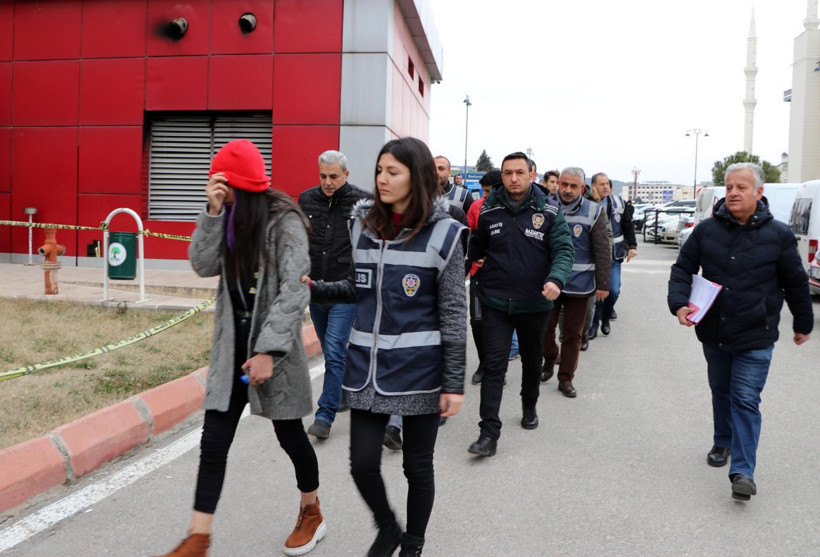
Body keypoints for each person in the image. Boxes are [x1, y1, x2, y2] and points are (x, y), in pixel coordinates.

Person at [155, 140, 323, 557]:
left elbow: (293, 292)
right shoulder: (227, 218)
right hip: (232, 350)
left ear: (239, 185)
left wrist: (267, 350)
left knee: (290, 437)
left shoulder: (285, 222)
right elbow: (202, 264)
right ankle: (197, 540)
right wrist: (211, 214)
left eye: (221, 185)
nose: (217, 190)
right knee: (213, 443)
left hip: (273, 351)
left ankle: (311, 510)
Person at [306, 137, 468, 556]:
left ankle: (413, 543)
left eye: (392, 171)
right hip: (366, 369)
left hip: (421, 371)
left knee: (417, 467)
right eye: (379, 170)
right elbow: (359, 288)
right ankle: (389, 527)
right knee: (361, 463)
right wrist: (318, 288)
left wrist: (453, 382)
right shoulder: (361, 226)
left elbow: (453, 312)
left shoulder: (445, 234)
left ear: (416, 177)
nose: (382, 179)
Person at [667, 162, 813, 502]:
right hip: (713, 330)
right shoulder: (706, 231)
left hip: (756, 334)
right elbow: (682, 269)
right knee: (721, 390)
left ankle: (743, 471)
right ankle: (723, 441)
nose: (733, 192)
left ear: (758, 193)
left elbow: (795, 283)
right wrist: (679, 304)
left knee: (746, 399)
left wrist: (802, 323)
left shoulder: (779, 234)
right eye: (729, 187)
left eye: (741, 187)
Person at [467, 151, 574, 457]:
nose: (513, 178)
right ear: (501, 177)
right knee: (493, 366)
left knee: (531, 360)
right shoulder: (488, 211)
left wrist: (556, 279)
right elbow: (475, 247)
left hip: (534, 303)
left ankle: (529, 404)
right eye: (507, 173)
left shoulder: (550, 212)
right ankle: (488, 432)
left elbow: (564, 250)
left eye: (519, 172)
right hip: (495, 301)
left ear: (531, 175)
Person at [298, 150, 370, 440]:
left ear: (346, 175)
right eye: (323, 176)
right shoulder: (306, 199)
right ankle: (341, 391)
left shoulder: (363, 202)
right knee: (333, 350)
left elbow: (369, 245)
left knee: (335, 350)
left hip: (345, 288)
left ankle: (324, 415)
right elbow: (302, 240)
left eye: (334, 177)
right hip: (315, 288)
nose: (328, 182)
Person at [541, 167, 610, 397]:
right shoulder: (544, 206)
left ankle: (566, 378)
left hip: (580, 285)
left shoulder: (594, 211)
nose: (568, 190)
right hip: (549, 284)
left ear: (582, 188)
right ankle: (550, 360)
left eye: (573, 186)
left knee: (573, 334)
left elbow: (602, 249)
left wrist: (603, 284)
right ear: (558, 184)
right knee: (545, 329)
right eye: (564, 185)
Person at [588, 172, 637, 339]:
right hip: (593, 256)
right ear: (593, 185)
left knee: (613, 290)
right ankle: (593, 326)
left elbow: (627, 225)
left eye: (607, 184)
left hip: (614, 255)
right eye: (601, 184)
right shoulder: (588, 203)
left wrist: (632, 246)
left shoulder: (618, 203)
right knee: (595, 294)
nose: (605, 187)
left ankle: (606, 318)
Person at [466, 170, 502, 385]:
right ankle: (483, 364)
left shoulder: (510, 210)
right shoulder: (476, 207)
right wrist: (476, 257)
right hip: (478, 275)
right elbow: (469, 236)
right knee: (477, 321)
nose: (485, 196)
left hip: (502, 276)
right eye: (483, 191)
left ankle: (497, 368)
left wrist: (492, 258)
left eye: (489, 191)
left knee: (499, 324)